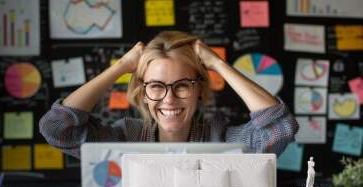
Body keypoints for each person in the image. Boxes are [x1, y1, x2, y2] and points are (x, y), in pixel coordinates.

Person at [39, 31, 299, 159]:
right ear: (143, 91)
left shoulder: (222, 140)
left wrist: (218, 64)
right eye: (156, 86)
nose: (169, 98)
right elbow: (56, 128)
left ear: (199, 89)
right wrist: (120, 68)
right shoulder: (123, 140)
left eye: (182, 85)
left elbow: (281, 127)